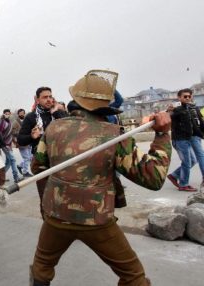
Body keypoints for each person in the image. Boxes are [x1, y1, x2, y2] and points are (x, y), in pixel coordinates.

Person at [29, 70, 172, 286]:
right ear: (105, 106)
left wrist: (48, 205)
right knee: (133, 276)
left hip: (56, 216)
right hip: (96, 220)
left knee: (42, 265)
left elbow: (38, 167)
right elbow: (152, 178)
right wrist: (162, 135)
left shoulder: (53, 128)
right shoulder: (115, 134)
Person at [17, 87, 68, 217]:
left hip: (61, 161)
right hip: (41, 163)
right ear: (38, 100)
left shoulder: (59, 114)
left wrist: (57, 112)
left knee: (64, 197)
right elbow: (21, 140)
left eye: (50, 96)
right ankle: (49, 226)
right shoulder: (31, 117)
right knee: (46, 198)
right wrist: (32, 137)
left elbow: (69, 130)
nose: (49, 99)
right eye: (45, 97)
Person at [167, 88, 204, 192]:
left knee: (193, 160)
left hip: (189, 138)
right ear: (179, 97)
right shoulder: (176, 109)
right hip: (180, 140)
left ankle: (174, 176)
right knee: (187, 162)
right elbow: (169, 116)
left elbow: (198, 123)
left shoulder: (193, 108)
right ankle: (183, 184)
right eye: (185, 96)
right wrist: (169, 110)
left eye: (189, 96)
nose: (187, 98)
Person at [0, 109, 23, 183]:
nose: (7, 115)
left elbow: (10, 134)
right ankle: (16, 177)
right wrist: (2, 143)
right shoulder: (2, 122)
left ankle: (1, 176)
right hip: (4, 145)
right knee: (13, 159)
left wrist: (14, 142)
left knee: (8, 162)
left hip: (9, 144)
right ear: (3, 114)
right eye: (5, 113)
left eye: (8, 113)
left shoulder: (9, 122)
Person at [12, 109, 33, 177]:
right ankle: (25, 172)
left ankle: (20, 166)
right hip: (21, 142)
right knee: (26, 158)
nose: (22, 114)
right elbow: (12, 133)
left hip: (28, 141)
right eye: (20, 113)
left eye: (23, 113)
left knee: (30, 157)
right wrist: (21, 133)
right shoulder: (15, 123)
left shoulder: (26, 121)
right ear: (18, 114)